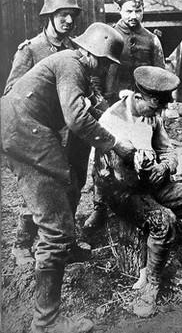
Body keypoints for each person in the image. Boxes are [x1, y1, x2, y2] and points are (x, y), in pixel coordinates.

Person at [1, 22, 136, 333]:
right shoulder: (70, 64)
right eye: (103, 63)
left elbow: (95, 103)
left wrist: (124, 113)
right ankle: (45, 322)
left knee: (71, 181)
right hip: (22, 132)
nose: (104, 70)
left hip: (23, 128)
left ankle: (68, 247)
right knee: (55, 227)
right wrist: (115, 143)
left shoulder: (74, 65)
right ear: (91, 53)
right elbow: (76, 117)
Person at [95, 66, 182, 318]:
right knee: (163, 220)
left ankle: (175, 266)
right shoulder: (110, 121)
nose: (158, 113)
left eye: (160, 108)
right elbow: (105, 177)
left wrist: (164, 166)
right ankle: (151, 287)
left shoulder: (152, 115)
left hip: (155, 184)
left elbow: (168, 151)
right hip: (125, 192)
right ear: (137, 98)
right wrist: (131, 166)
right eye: (154, 106)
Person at [4, 0, 104, 266]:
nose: (68, 21)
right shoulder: (30, 49)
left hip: (74, 132)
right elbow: (13, 93)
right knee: (40, 189)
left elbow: (90, 86)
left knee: (73, 183)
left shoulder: (78, 49)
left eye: (72, 15)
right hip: (41, 135)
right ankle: (23, 243)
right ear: (49, 15)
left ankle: (65, 242)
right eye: (62, 14)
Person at [84, 0, 166, 229]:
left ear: (143, 11)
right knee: (104, 155)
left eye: (138, 10)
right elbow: (96, 74)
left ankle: (140, 200)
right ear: (119, 10)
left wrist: (158, 108)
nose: (133, 15)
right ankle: (100, 208)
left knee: (143, 150)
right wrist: (101, 104)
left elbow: (160, 75)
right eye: (128, 10)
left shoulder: (152, 39)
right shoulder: (109, 36)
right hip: (112, 106)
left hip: (142, 108)